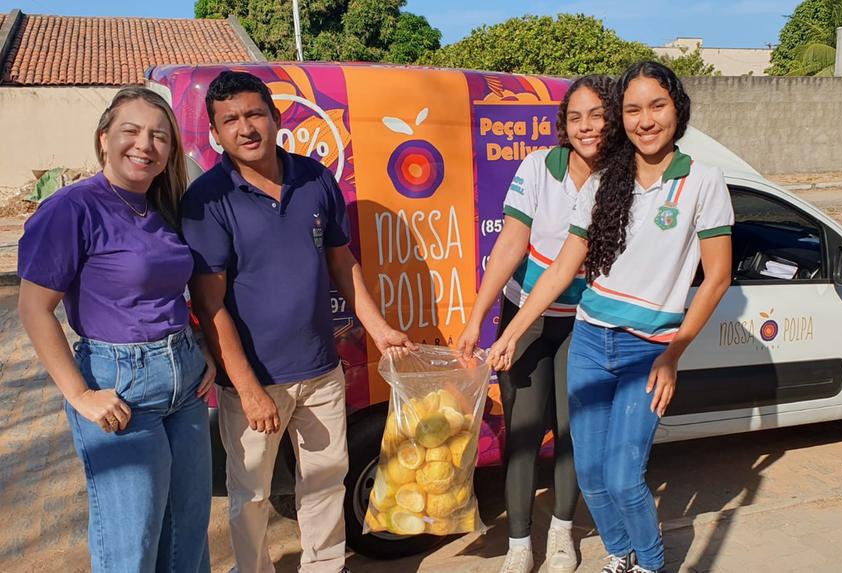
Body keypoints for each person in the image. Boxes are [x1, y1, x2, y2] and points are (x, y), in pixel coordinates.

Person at [488, 61, 734, 573]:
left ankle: (649, 561)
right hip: (591, 343)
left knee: (624, 477)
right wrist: (511, 330)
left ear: (678, 109)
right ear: (621, 119)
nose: (646, 119)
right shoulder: (604, 183)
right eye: (633, 109)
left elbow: (717, 279)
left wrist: (674, 353)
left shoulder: (703, 183)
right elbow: (560, 270)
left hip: (648, 351)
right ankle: (620, 555)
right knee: (593, 476)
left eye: (657, 106)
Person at [181, 71, 414, 573]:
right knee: (252, 497)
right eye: (230, 121)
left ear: (275, 117)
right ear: (216, 134)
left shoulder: (314, 178)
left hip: (321, 371)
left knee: (326, 484)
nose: (245, 128)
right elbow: (209, 303)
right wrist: (248, 389)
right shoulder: (207, 200)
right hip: (255, 382)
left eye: (253, 114)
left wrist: (380, 329)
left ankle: (325, 566)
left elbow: (341, 260)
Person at [18, 87, 217, 573]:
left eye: (159, 136)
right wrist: (81, 394)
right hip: (120, 386)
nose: (144, 145)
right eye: (131, 131)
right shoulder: (72, 208)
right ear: (104, 138)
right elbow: (33, 308)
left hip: (185, 381)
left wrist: (203, 350)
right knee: (132, 544)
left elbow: (175, 291)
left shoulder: (162, 207)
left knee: (188, 533)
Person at [456, 75, 615, 573]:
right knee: (523, 431)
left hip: (584, 321)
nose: (586, 126)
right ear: (563, 125)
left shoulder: (623, 178)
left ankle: (563, 533)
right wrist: (477, 317)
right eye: (575, 116)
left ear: (612, 119)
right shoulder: (538, 168)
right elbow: (510, 243)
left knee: (573, 432)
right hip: (525, 316)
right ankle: (520, 544)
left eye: (596, 115)